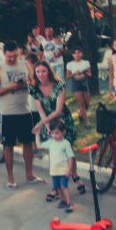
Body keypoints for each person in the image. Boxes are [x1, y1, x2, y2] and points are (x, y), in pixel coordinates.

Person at [0, 41, 42, 189]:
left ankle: (29, 174)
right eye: (9, 57)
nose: (12, 59)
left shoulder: (24, 64)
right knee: (8, 145)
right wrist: (9, 87)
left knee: (28, 143)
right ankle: (11, 177)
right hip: (8, 112)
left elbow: (34, 81)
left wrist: (28, 82)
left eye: (14, 56)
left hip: (25, 110)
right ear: (4, 54)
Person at [30, 60, 85, 196]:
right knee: (54, 154)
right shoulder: (34, 88)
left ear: (49, 71)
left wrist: (41, 124)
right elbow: (40, 110)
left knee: (68, 151)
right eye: (38, 72)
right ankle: (56, 187)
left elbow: (59, 110)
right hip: (47, 121)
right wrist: (46, 125)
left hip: (62, 121)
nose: (41, 74)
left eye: (43, 71)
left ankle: (75, 177)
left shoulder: (59, 85)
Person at [42, 120, 75, 213]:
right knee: (57, 187)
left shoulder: (66, 143)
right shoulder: (51, 142)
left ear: (63, 132)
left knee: (64, 185)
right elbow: (39, 145)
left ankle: (70, 203)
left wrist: (69, 169)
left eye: (57, 133)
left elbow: (71, 157)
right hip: (54, 171)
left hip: (64, 170)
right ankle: (63, 201)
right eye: (52, 133)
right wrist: (36, 135)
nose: (54, 135)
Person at [65, 45, 91, 126]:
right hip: (76, 84)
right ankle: (87, 122)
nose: (77, 55)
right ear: (73, 55)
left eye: (79, 53)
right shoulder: (70, 64)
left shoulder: (86, 63)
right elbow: (67, 76)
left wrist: (84, 72)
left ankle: (81, 113)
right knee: (81, 103)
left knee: (87, 104)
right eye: (75, 53)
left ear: (82, 54)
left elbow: (90, 74)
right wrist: (74, 74)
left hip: (84, 83)